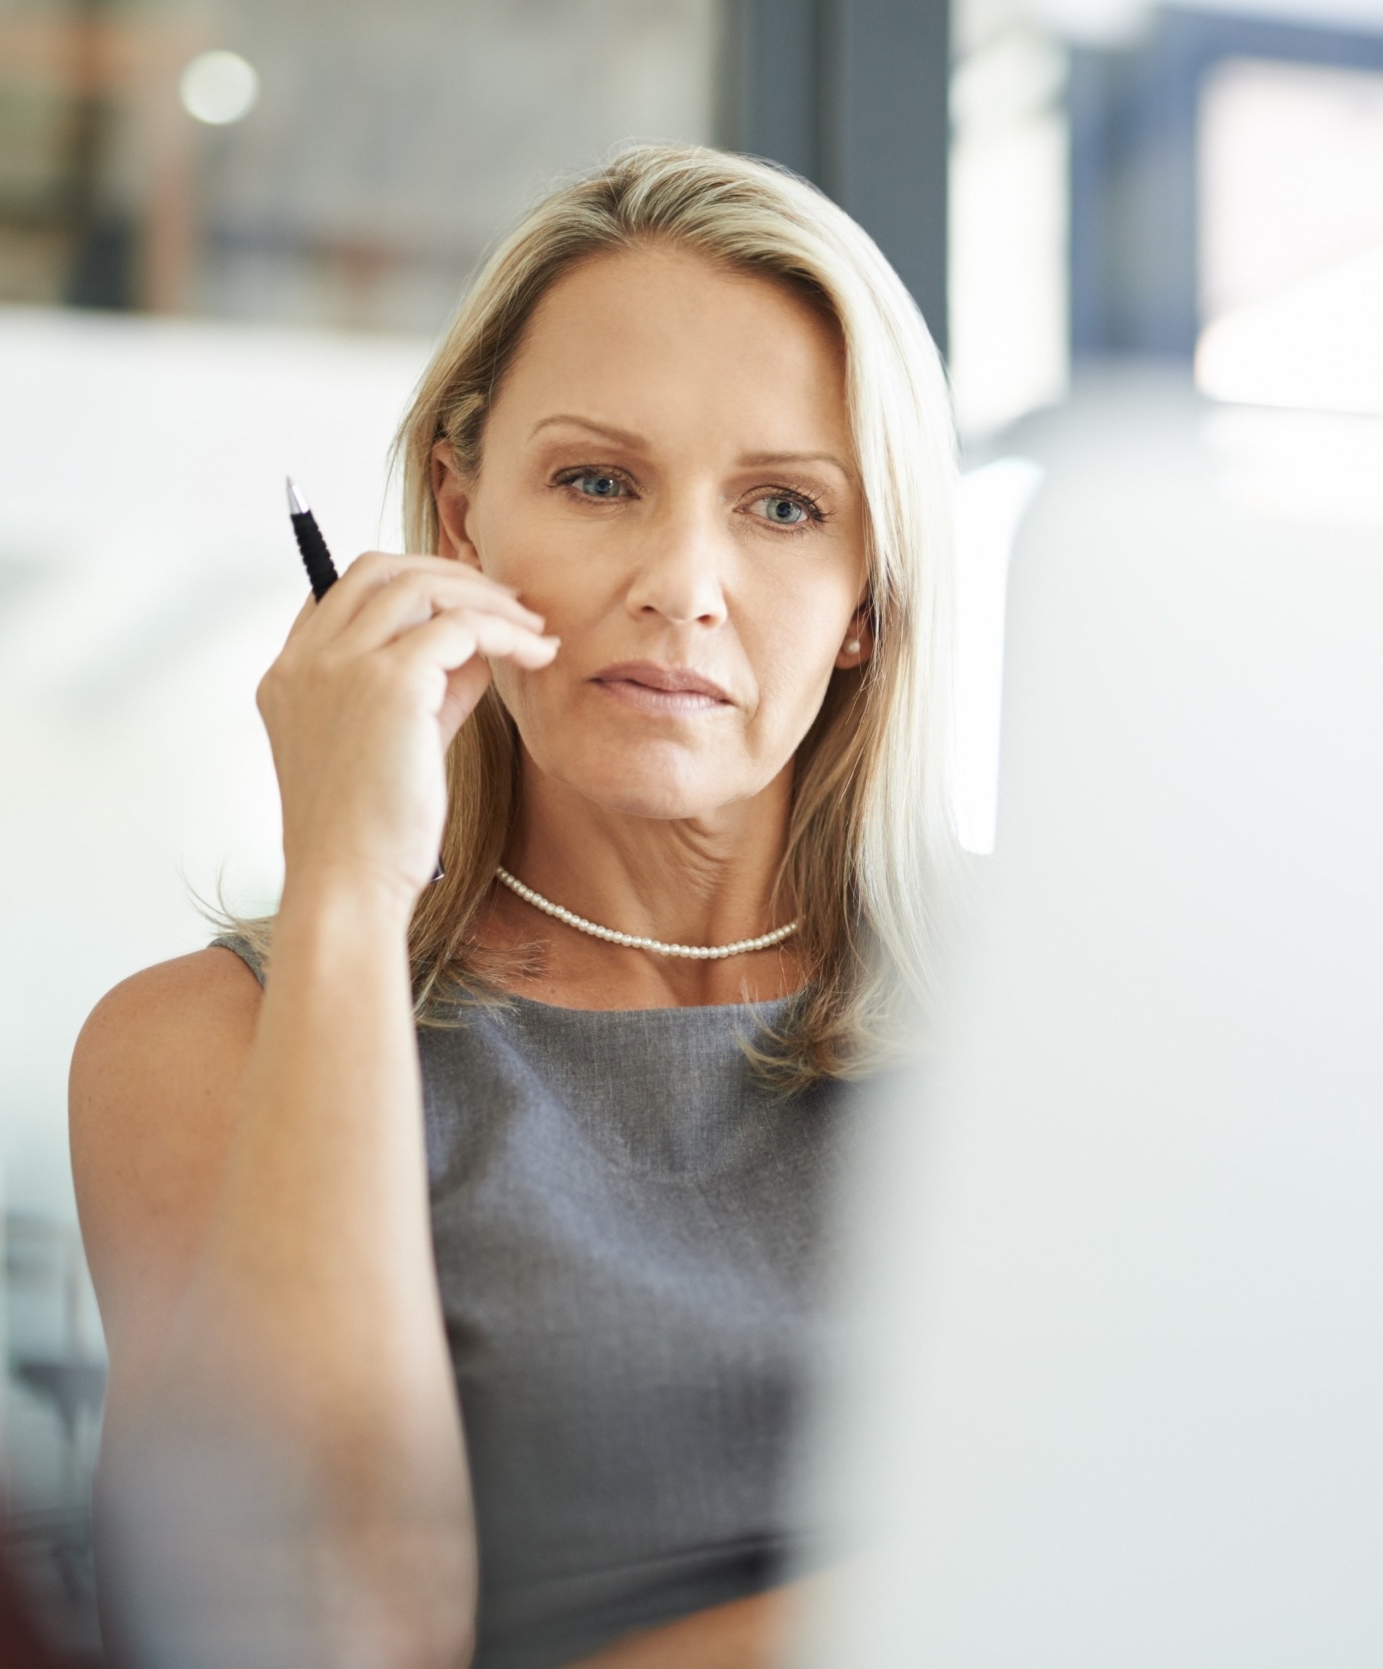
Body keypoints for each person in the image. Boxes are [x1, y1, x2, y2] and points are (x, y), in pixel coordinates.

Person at [68, 146, 959, 1669]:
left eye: (785, 507)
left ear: (870, 593)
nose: (683, 580)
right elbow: (300, 1639)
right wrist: (350, 888)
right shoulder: (210, 1042)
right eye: (600, 481)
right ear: (463, 517)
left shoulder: (1065, 1012)